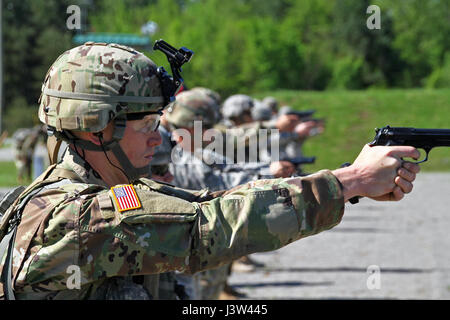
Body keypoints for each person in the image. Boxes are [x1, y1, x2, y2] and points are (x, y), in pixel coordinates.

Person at [0, 42, 420, 300]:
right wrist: (351, 182)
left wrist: (345, 181)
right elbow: (210, 226)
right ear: (96, 128)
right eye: (147, 126)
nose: (158, 139)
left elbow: (213, 201)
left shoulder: (107, 192)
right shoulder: (78, 218)